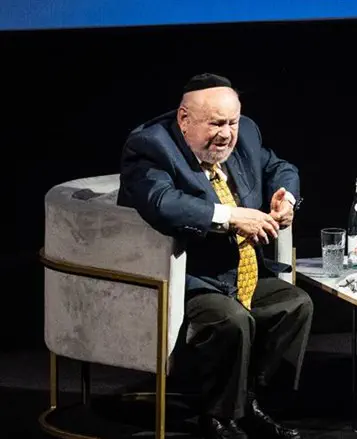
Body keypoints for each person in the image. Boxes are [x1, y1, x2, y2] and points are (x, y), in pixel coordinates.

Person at [118, 73, 312, 439]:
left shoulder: (247, 134)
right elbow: (163, 204)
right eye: (216, 124)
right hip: (188, 277)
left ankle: (251, 403)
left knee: (294, 304)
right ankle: (218, 418)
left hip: (240, 270)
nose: (226, 134)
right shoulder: (150, 146)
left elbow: (279, 167)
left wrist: (285, 197)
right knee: (231, 320)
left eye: (232, 123)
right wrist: (231, 216)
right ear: (184, 119)